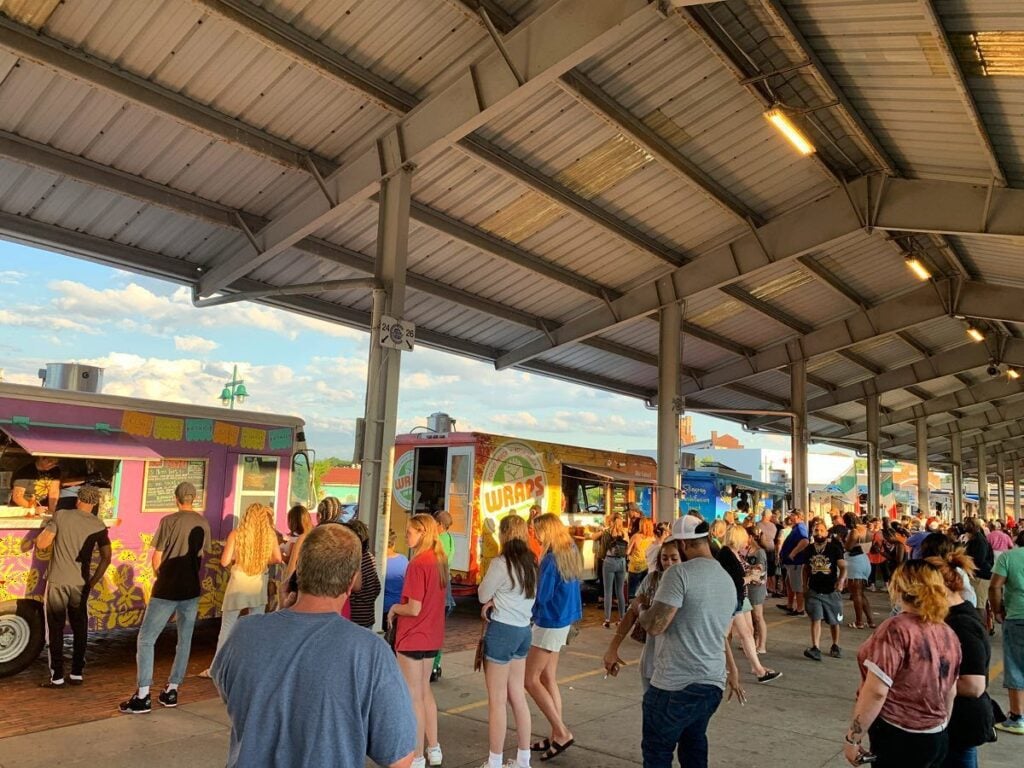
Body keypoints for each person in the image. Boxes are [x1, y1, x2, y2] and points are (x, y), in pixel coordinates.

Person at [212, 524, 416, 768]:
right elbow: (399, 757)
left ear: (298, 573)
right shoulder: (370, 652)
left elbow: (237, 696)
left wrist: (283, 609)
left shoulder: (243, 634)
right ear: (351, 582)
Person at [639, 515, 745, 768]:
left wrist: (642, 610)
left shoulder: (679, 574)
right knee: (694, 744)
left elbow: (655, 625)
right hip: (711, 682)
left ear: (684, 545)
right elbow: (720, 633)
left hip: (675, 683)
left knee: (657, 752)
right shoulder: (726, 579)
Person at [842, 561, 962, 767]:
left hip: (899, 736)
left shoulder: (895, 629)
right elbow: (950, 691)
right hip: (936, 735)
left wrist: (853, 738)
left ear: (899, 587)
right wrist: (938, 726)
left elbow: (877, 691)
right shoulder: (946, 632)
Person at [120, 481, 211, 714]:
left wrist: (160, 577)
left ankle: (142, 695)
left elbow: (156, 558)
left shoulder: (168, 521)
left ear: (176, 498)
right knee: (184, 640)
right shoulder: (203, 523)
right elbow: (201, 556)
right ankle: (172, 690)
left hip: (166, 589)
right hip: (191, 589)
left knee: (147, 639)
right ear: (194, 499)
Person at [34, 485, 111, 688]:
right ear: (95, 504)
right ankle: (77, 672)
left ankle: (57, 676)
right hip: (81, 582)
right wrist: (93, 581)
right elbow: (106, 557)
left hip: (59, 580)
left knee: (56, 628)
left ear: (78, 500)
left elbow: (42, 544)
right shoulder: (99, 525)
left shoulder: (61, 516)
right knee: (80, 627)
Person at [388, 514, 449, 768]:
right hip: (432, 635)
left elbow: (413, 608)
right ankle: (433, 749)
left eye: (410, 532)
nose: (406, 536)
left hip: (413, 635)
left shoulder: (418, 564)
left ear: (422, 532)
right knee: (424, 692)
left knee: (413, 697)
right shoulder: (439, 560)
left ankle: (418, 755)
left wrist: (393, 608)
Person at [477, 515, 537, 768]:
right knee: (518, 697)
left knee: (497, 701)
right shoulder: (532, 562)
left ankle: (495, 761)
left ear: (503, 534)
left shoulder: (501, 563)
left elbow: (482, 594)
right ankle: (524, 759)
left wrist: (491, 603)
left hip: (502, 631)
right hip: (524, 631)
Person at [926, 550, 994, 767]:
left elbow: (974, 685)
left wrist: (919, 681)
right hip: (952, 721)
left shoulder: (962, 624)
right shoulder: (950, 617)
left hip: (960, 721)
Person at [201, 503, 283, 677]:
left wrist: (240, 557)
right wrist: (260, 560)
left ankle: (216, 668)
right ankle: (253, 667)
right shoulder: (270, 536)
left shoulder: (236, 534)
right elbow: (277, 558)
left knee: (227, 626)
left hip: (238, 582)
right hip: (258, 583)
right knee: (256, 626)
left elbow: (224, 561)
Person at [527, 513, 582, 761]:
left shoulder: (550, 559)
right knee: (548, 677)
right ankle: (555, 732)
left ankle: (561, 732)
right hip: (564, 620)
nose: (535, 536)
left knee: (530, 680)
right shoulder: (570, 549)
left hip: (548, 621)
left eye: (537, 532)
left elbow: (542, 596)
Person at [604, 540, 682, 691]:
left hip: (679, 665)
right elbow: (631, 613)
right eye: (665, 558)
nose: (669, 563)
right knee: (651, 709)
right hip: (652, 660)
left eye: (674, 558)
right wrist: (612, 648)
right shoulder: (652, 580)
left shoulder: (690, 584)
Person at [718, 525, 781, 683]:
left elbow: (741, 571)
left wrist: (753, 571)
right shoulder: (726, 554)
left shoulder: (733, 553)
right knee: (724, 635)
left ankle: (757, 668)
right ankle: (753, 669)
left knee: (745, 632)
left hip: (738, 598)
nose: (748, 540)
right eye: (745, 536)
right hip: (731, 598)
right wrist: (751, 578)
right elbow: (735, 580)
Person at [990, 527, 1024, 735]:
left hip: (1017, 617)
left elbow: (995, 587)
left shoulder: (1008, 558)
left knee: (1016, 665)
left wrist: (997, 611)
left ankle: (1017, 717)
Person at [803, 519, 847, 661]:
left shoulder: (834, 549)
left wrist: (840, 581)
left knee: (834, 621)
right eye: (816, 530)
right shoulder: (809, 549)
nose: (819, 533)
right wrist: (804, 585)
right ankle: (815, 647)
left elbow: (843, 567)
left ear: (827, 533)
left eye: (822, 530)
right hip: (814, 590)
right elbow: (806, 568)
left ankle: (835, 645)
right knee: (816, 618)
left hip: (831, 590)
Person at [344, 519, 383, 629]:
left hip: (355, 618)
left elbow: (356, 587)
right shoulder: (370, 557)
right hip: (368, 616)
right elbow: (376, 587)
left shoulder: (355, 559)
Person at [432, 510, 456, 682]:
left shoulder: (438, 541)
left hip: (438, 586)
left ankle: (432, 665)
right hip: (446, 585)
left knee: (433, 627)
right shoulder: (450, 539)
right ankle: (437, 664)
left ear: (439, 525)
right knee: (439, 628)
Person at [963, 518, 995, 630]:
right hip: (978, 574)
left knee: (979, 605)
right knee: (979, 604)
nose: (965, 525)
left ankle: (982, 630)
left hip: (980, 576)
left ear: (974, 526)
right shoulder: (975, 539)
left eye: (968, 523)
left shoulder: (978, 541)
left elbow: (978, 559)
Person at [845, 514, 875, 629]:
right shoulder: (867, 530)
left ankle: (859, 622)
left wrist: (840, 541)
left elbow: (848, 547)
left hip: (854, 561)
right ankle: (870, 621)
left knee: (856, 594)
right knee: (861, 593)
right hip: (865, 560)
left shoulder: (854, 531)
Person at [744, 525, 770, 654]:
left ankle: (762, 644)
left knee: (758, 616)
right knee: (751, 617)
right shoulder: (748, 550)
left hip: (757, 587)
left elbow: (760, 570)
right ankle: (753, 641)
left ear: (750, 537)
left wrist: (748, 569)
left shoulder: (760, 552)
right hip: (749, 586)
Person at [779, 510, 811, 616]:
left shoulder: (801, 527)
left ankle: (800, 608)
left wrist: (793, 553)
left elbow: (805, 541)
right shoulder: (796, 528)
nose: (790, 517)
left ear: (797, 516)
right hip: (791, 563)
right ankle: (790, 604)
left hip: (796, 562)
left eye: (792, 515)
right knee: (789, 582)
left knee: (797, 585)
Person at [601, 515, 629, 628]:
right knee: (620, 591)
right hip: (621, 562)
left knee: (608, 592)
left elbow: (603, 548)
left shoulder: (607, 532)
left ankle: (607, 619)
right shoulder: (625, 533)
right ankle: (622, 618)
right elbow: (626, 549)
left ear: (611, 521)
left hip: (609, 561)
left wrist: (603, 558)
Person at [384, 528, 410, 628]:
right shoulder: (403, 560)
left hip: (383, 607)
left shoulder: (378, 562)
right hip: (400, 607)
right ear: (393, 544)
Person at [627, 518, 655, 599]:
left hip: (635, 567)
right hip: (647, 566)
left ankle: (631, 609)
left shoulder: (636, 537)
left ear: (641, 526)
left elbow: (627, 551)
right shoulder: (652, 538)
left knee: (632, 592)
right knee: (645, 590)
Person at [757, 510, 779, 595]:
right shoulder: (772, 526)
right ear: (769, 516)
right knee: (769, 569)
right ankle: (771, 587)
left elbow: (761, 537)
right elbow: (772, 537)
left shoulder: (758, 525)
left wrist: (763, 537)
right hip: (769, 548)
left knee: (764, 568)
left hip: (763, 549)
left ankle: (767, 587)